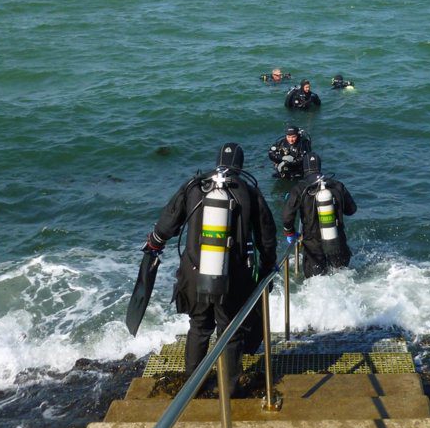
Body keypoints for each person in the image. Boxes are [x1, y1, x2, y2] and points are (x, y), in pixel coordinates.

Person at [142, 142, 278, 386]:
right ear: (240, 165)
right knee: (230, 332)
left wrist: (154, 243)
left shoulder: (195, 186)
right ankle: (230, 388)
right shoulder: (249, 191)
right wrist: (268, 266)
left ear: (218, 161)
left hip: (194, 272)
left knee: (199, 327)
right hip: (232, 277)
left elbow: (168, 223)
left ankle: (194, 384)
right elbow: (266, 235)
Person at [282, 153, 357, 278]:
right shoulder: (337, 185)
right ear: (319, 166)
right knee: (342, 276)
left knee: (316, 281)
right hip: (336, 239)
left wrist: (290, 233)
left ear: (304, 167)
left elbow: (287, 217)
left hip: (313, 244)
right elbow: (351, 210)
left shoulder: (299, 188)